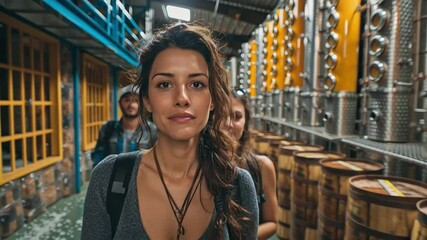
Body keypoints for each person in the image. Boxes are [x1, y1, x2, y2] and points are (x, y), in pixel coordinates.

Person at [82, 23, 259, 240]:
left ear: (212, 99)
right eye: (165, 84)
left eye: (196, 84)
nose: (182, 98)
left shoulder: (237, 186)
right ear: (146, 99)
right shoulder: (110, 179)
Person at [227, 88, 278, 239]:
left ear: (246, 122)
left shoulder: (262, 166)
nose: (229, 123)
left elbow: (272, 222)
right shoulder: (198, 165)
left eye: (237, 116)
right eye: (221, 115)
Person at [90, 84, 157, 167]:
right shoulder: (108, 128)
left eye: (136, 101)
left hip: (141, 178)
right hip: (113, 178)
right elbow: (98, 157)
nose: (131, 105)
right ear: (120, 103)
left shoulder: (152, 130)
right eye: (127, 100)